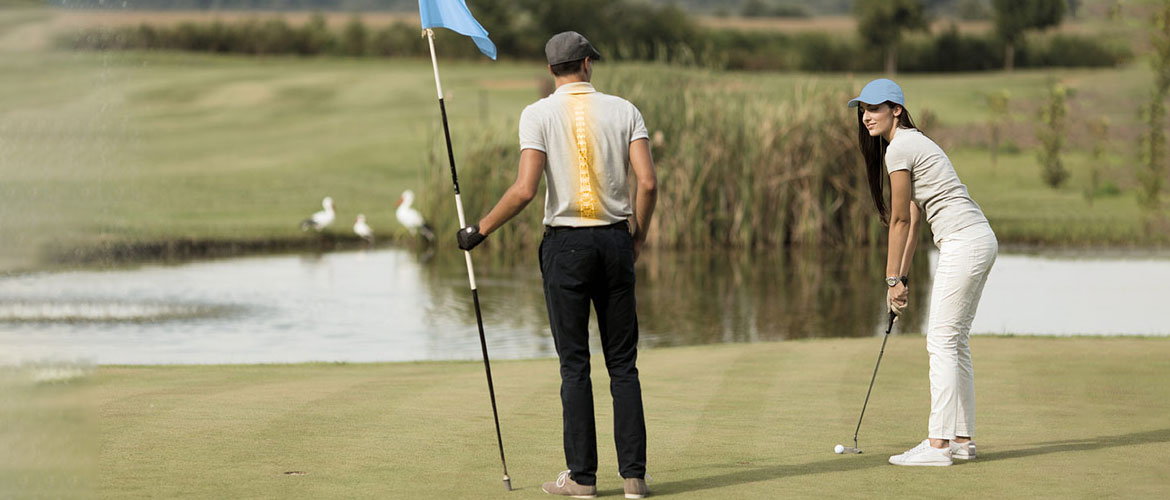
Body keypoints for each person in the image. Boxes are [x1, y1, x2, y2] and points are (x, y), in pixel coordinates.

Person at [456, 31, 658, 498]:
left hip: (565, 247)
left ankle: (583, 480)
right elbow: (646, 182)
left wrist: (479, 230)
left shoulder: (537, 113)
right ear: (587, 64)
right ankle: (634, 479)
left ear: (552, 71)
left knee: (575, 366)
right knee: (623, 365)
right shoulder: (625, 110)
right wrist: (638, 237)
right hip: (614, 242)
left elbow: (526, 190)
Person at [848, 79, 998, 467]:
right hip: (978, 238)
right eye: (863, 110)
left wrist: (891, 281)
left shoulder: (900, 147)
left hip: (963, 241)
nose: (867, 117)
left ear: (896, 109)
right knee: (955, 341)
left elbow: (897, 220)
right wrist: (901, 278)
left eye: (875, 108)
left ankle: (938, 446)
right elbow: (914, 221)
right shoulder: (916, 142)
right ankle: (961, 440)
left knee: (941, 343)